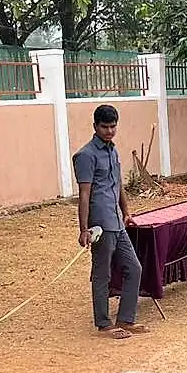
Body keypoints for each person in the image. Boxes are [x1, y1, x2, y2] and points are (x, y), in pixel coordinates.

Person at [73, 104, 148, 340]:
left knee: (134, 268)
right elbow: (84, 194)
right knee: (102, 274)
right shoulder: (85, 155)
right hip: (100, 224)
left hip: (117, 221)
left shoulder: (112, 151)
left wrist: (126, 212)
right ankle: (103, 325)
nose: (109, 131)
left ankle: (126, 319)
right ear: (95, 126)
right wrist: (83, 229)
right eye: (104, 127)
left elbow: (118, 185)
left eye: (113, 126)